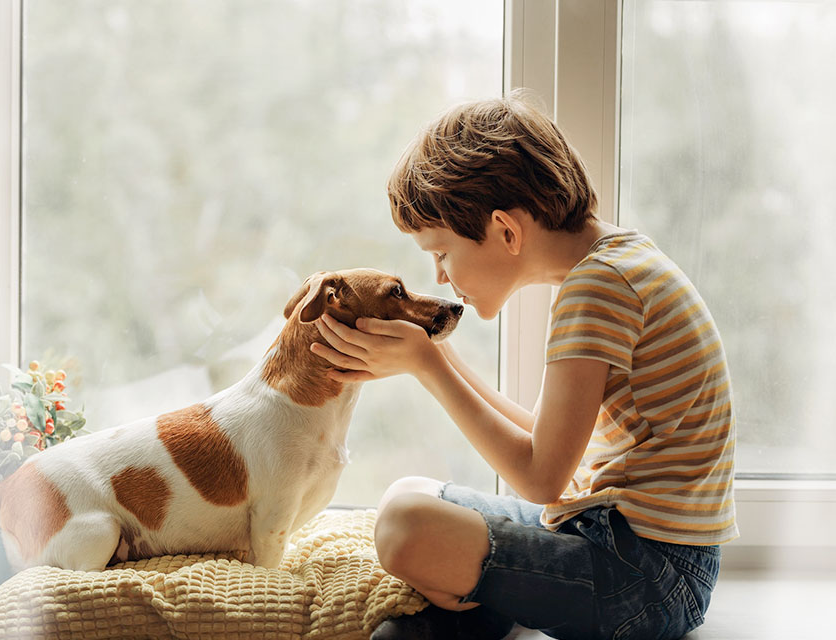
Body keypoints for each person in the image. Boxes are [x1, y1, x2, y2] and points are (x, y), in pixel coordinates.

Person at [309, 89, 737, 640]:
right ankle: (496, 598)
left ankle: (480, 601)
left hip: (649, 578)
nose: (441, 277)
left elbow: (540, 477)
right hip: (612, 536)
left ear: (506, 231)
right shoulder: (617, 263)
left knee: (403, 527)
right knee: (405, 494)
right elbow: (546, 439)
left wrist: (430, 369)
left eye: (441, 253)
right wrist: (435, 354)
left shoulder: (600, 289)